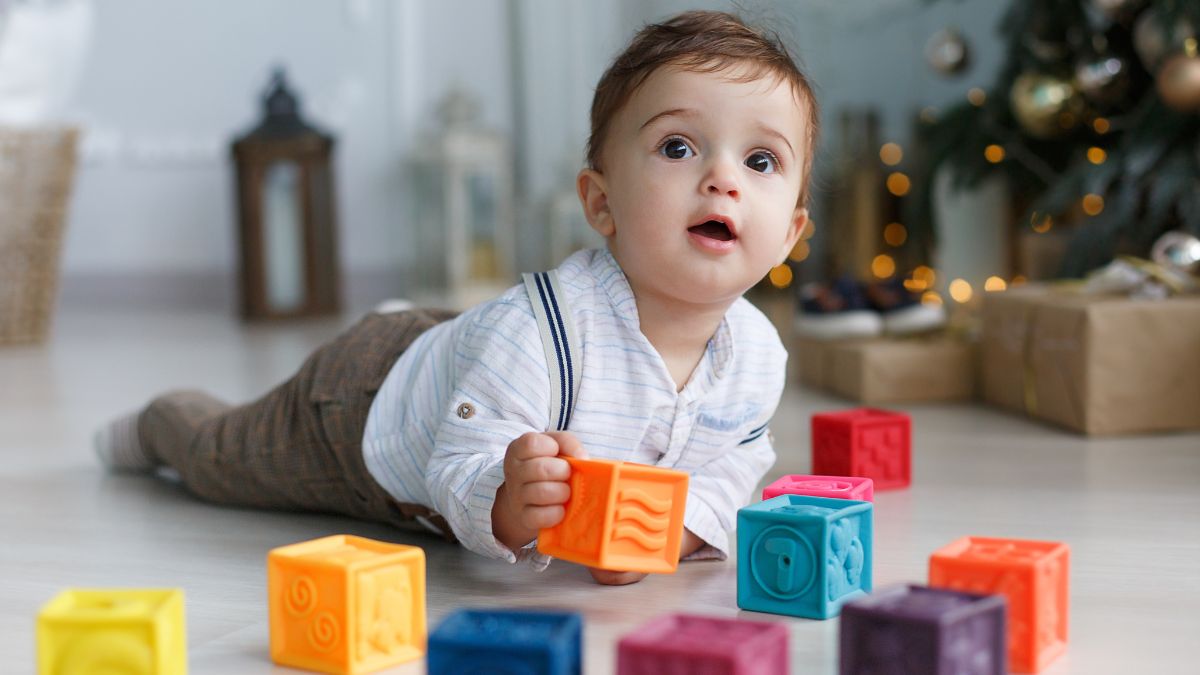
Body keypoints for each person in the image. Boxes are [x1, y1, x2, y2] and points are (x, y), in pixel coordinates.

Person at [94, 10, 819, 586]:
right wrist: (505, 502)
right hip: (363, 409)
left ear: (789, 233)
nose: (724, 177)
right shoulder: (545, 333)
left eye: (760, 160)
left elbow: (730, 466)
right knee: (227, 459)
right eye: (678, 147)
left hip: (470, 358)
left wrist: (672, 532)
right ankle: (161, 424)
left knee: (482, 360)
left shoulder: (754, 357)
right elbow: (457, 461)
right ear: (601, 204)